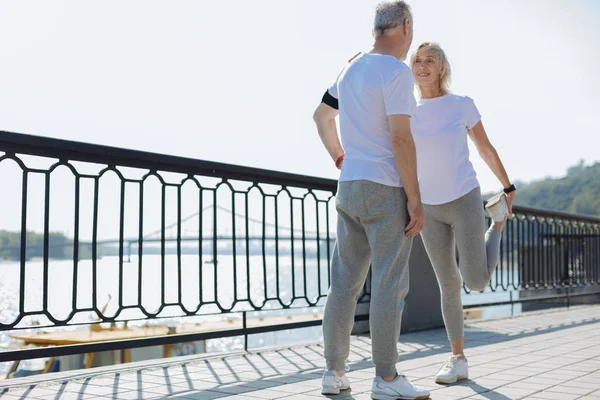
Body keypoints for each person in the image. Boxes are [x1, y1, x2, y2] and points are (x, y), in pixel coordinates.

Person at [312, 2, 430, 399]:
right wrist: (415, 198)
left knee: (343, 284)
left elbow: (320, 117)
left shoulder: (351, 68)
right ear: (406, 27)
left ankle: (334, 372)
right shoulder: (395, 72)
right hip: (384, 187)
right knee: (388, 284)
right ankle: (386, 379)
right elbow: (400, 138)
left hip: (350, 186)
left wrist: (341, 157)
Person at [409, 42, 516, 384]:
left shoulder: (461, 104)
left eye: (430, 61)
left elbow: (484, 147)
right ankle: (457, 359)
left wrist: (508, 186)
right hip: (429, 205)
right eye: (417, 60)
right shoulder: (406, 109)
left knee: (476, 280)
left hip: (464, 197)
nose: (422, 66)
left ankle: (496, 225)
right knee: (448, 283)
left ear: (441, 67)